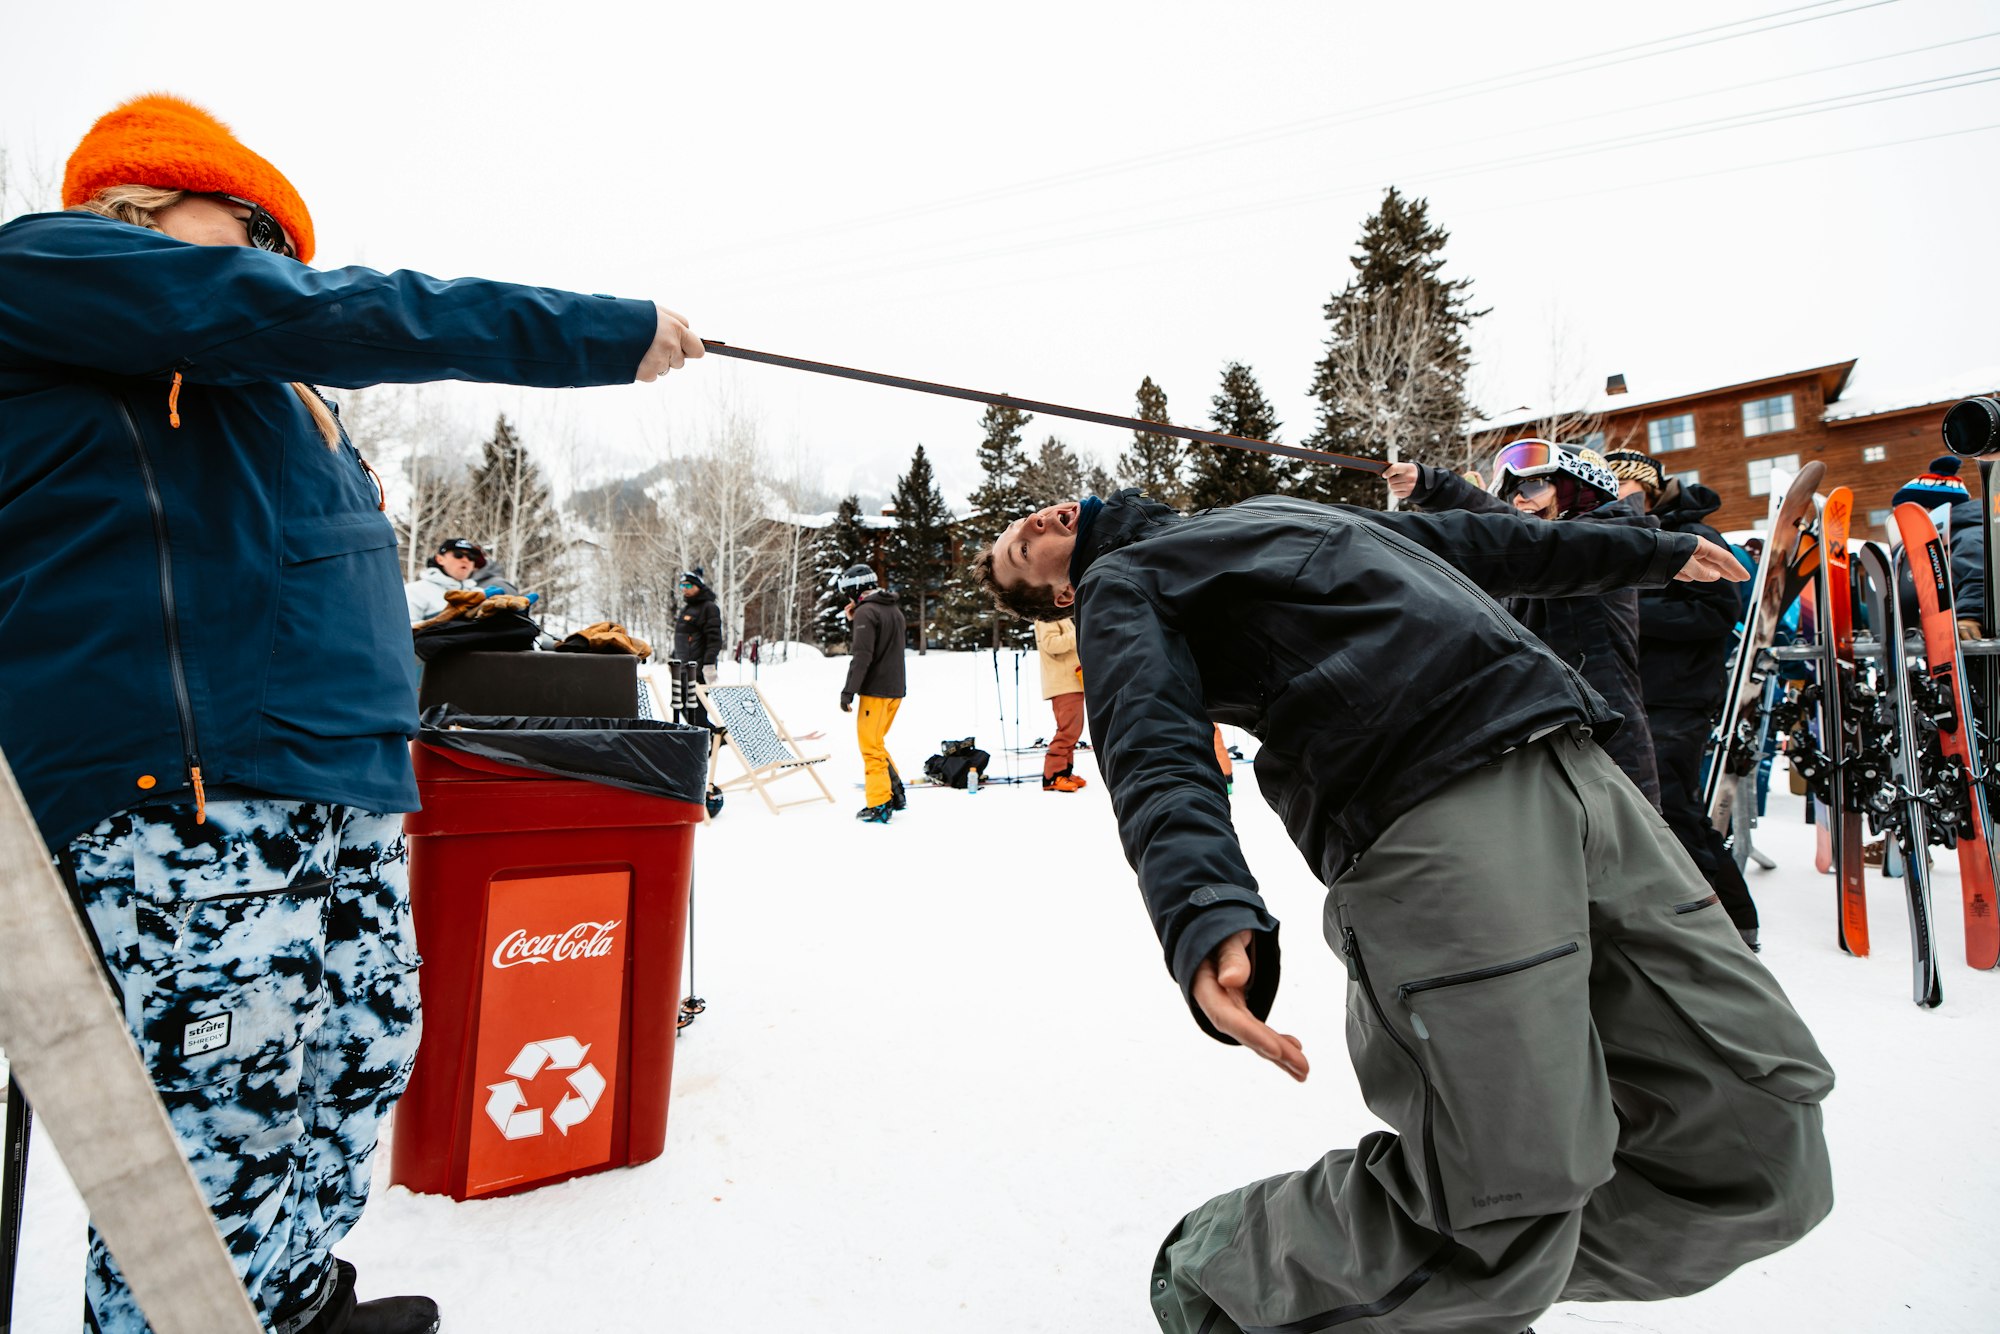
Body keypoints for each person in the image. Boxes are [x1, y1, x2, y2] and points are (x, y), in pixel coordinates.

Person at [0, 93, 702, 1334]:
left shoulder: (259, 386)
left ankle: (290, 1302)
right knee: (226, 1116)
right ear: (150, 202)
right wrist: (595, 332)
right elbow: (323, 310)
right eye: (258, 233)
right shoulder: (58, 266)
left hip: (339, 779)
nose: (276, 265)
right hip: (191, 782)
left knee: (360, 1055)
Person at [977, 490, 1832, 1334]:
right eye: (1023, 546)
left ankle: (1450, 1289)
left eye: (1030, 517)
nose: (1038, 521)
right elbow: (1153, 748)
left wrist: (1650, 554)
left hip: (1580, 770)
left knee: (1761, 1161)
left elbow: (1474, 543)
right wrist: (1203, 905)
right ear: (1063, 592)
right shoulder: (1122, 582)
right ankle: (1226, 1275)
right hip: (1431, 802)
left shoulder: (1262, 512)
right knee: (1502, 1193)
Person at [1387, 440, 1662, 808]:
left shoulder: (1611, 541)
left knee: (1626, 846)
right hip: (1541, 745)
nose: (1519, 498)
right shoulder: (1534, 565)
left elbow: (1529, 539)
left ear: (1580, 488)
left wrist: (1440, 488)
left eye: (1533, 485)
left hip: (1606, 748)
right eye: (1512, 491)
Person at [1604, 450, 1763, 949]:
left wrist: (1627, 609)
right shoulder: (1616, 539)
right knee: (1648, 810)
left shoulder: (1692, 535)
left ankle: (1728, 924)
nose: (1619, 496)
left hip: (1677, 695)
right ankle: (1698, 919)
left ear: (1650, 489)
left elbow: (1716, 612)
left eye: (1626, 486)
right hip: (1631, 694)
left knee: (1673, 808)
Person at [838, 563, 907, 823]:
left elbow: (862, 655)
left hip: (876, 691)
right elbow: (878, 645)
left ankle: (879, 804)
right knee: (876, 743)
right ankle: (895, 793)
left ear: (855, 589)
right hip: (894, 689)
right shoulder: (891, 608)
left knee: (870, 748)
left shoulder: (867, 612)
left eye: (847, 592)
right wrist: (854, 621)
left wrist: (848, 691)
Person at [1891, 455, 1986, 637]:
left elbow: (1978, 578)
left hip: (1977, 636)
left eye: (1907, 515)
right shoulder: (1945, 542)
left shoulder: (1970, 536)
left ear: (1928, 510)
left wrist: (1968, 618)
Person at [1033, 616, 1088, 791]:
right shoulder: (1046, 617)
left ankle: (1064, 771)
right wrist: (1079, 633)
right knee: (1067, 732)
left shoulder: (1060, 617)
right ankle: (1053, 775)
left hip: (1072, 682)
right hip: (1062, 684)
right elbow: (1051, 644)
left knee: (1073, 731)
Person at [404, 537, 487, 624]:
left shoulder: (481, 594)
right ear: (440, 559)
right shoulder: (414, 590)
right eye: (458, 555)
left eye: (471, 557)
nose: (465, 560)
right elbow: (405, 627)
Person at [673, 568, 725, 684]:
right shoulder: (687, 609)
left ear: (698, 586)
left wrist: (709, 664)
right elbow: (681, 637)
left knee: (697, 696)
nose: (684, 589)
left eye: (688, 585)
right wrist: (674, 657)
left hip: (698, 670)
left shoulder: (709, 608)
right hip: (683, 669)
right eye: (682, 585)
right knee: (681, 696)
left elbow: (714, 639)